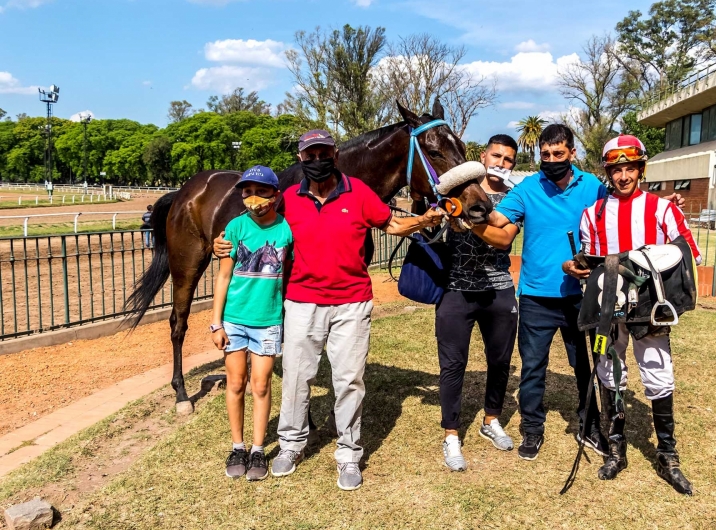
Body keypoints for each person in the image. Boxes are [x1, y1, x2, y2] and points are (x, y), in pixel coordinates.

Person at [213, 129, 445, 491]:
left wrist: (426, 220)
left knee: (349, 380)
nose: (317, 160)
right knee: (295, 378)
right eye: (309, 155)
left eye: (323, 153)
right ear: (301, 159)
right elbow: (255, 221)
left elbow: (393, 224)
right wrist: (222, 242)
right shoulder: (288, 197)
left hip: (352, 303)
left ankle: (349, 454)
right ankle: (290, 445)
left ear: (335, 155)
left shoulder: (359, 192)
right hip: (302, 302)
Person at [469, 124, 608, 462]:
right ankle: (532, 430)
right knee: (533, 367)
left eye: (558, 154)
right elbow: (498, 219)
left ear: (572, 153)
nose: (551, 160)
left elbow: (614, 220)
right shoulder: (529, 188)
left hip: (581, 295)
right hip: (535, 296)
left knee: (584, 365)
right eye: (545, 155)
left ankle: (589, 424)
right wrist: (469, 211)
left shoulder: (592, 186)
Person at [570, 135, 700, 495]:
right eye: (616, 170)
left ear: (641, 170)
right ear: (608, 173)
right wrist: (575, 265)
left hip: (649, 306)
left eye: (630, 169)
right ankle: (616, 450)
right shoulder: (592, 214)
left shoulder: (662, 210)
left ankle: (667, 455)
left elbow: (688, 252)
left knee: (658, 371)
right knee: (609, 370)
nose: (624, 176)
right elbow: (590, 261)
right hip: (608, 306)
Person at [436, 134, 521, 471]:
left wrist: (467, 217)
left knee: (499, 361)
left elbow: (502, 240)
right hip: (456, 289)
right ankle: (452, 435)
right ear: (483, 156)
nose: (501, 163)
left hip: (498, 289)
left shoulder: (515, 198)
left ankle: (491, 419)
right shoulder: (457, 190)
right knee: (452, 365)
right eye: (496, 156)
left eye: (508, 159)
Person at [209, 165, 291, 481]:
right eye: (247, 192)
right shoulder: (235, 228)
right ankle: (238, 446)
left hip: (268, 321)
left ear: (276, 195)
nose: (253, 198)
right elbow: (223, 277)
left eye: (260, 192)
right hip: (234, 320)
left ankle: (258, 450)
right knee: (235, 382)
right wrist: (216, 323)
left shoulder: (286, 230)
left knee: (261, 383)